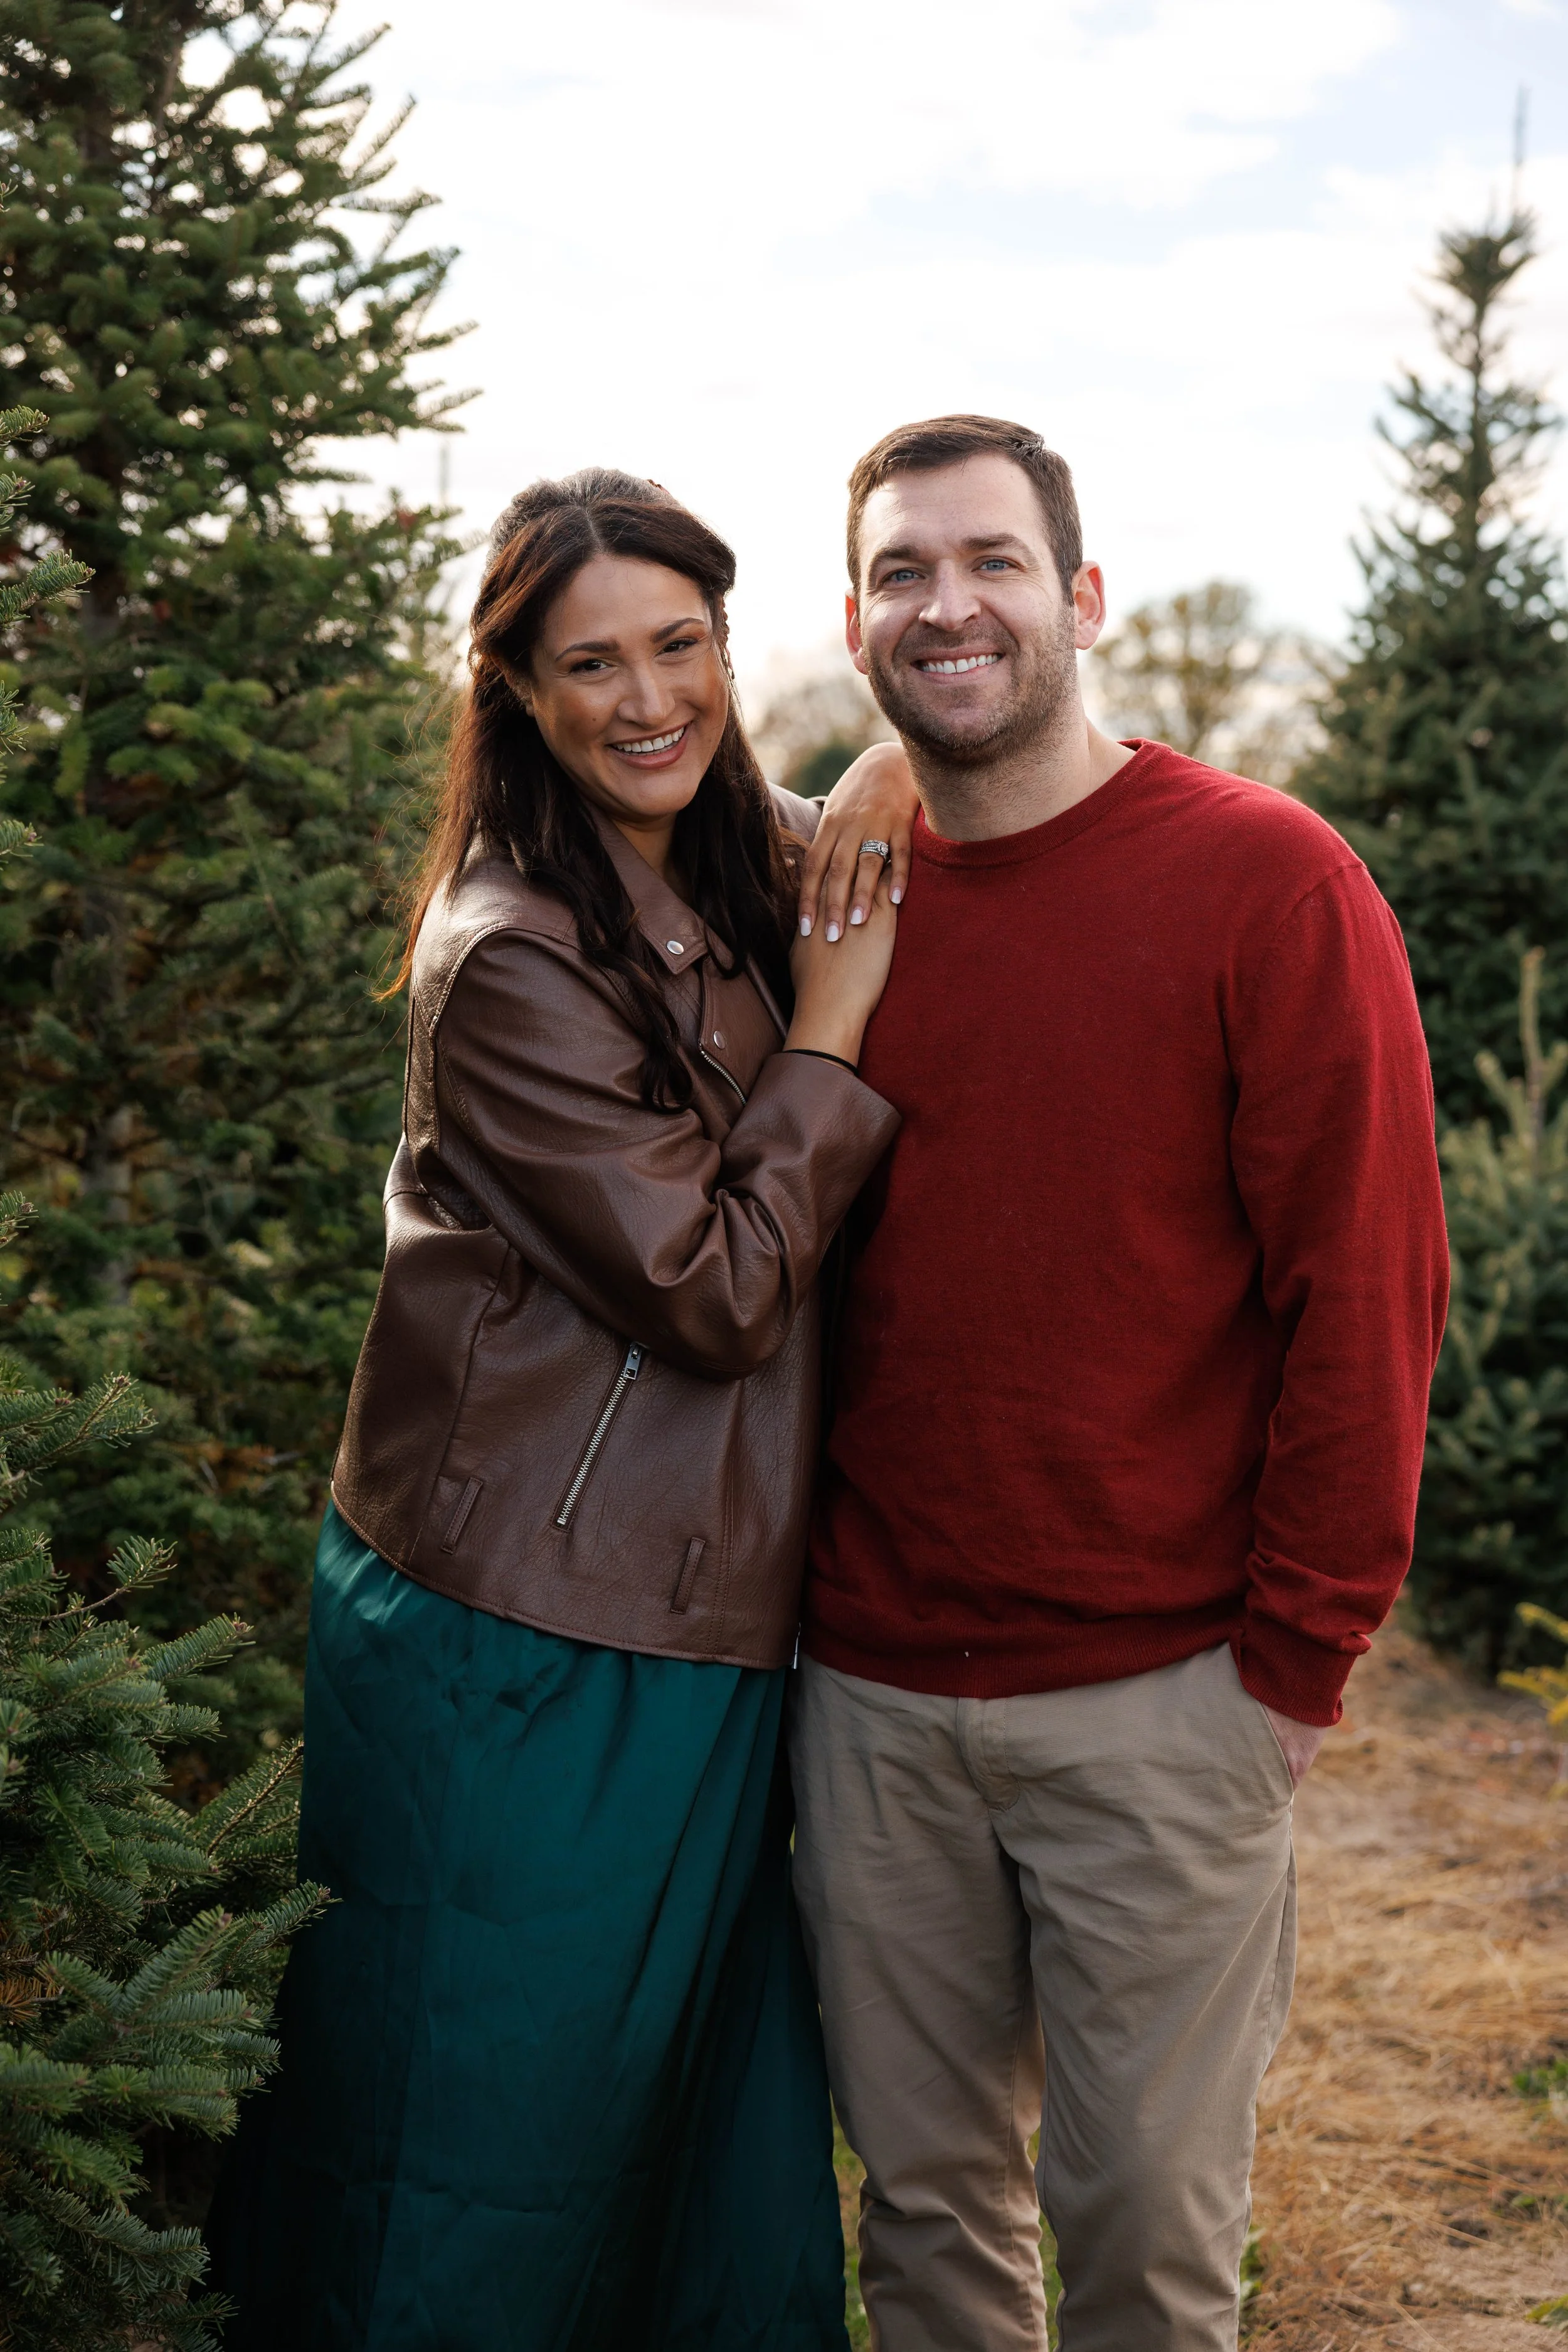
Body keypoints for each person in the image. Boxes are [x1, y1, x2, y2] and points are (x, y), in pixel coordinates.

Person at [207, 468, 918, 2351]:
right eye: (587, 663)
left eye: (677, 642)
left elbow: (918, 791)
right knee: (471, 2124)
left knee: (691, 2124)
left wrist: (867, 780)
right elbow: (715, 1287)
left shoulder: (720, 847)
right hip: (521, 1621)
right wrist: (835, 1033)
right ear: (515, 689)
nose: (644, 697)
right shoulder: (509, 951)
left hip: (696, 1607)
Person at [788, 415, 1450, 2352]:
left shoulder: (1265, 883)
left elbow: (1368, 1299)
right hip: (875, 1693)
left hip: (1164, 1703)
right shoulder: (839, 885)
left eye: (990, 560)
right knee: (920, 2223)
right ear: (855, 622)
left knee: (1151, 2240)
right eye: (904, 572)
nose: (948, 604)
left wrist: (1290, 1673)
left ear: (1080, 597)